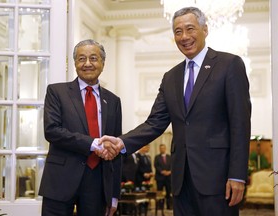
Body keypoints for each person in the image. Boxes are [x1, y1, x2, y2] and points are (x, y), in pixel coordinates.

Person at [98, 6, 251, 216]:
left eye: (190, 29)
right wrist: (122, 142)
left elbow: (240, 124)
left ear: (205, 30)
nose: (184, 37)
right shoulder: (171, 77)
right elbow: (154, 123)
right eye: (178, 32)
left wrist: (237, 175)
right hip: (181, 181)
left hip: (217, 178)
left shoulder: (229, 65)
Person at [39, 39, 122, 216]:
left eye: (93, 58)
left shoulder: (113, 101)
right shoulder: (56, 92)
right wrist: (93, 144)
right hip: (60, 180)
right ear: (75, 63)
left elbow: (116, 150)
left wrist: (113, 195)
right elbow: (52, 131)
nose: (87, 64)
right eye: (81, 59)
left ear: (102, 63)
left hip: (97, 182)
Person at [154, 144, 172, 209]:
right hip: (160, 178)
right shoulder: (157, 157)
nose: (162, 149)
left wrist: (170, 171)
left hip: (168, 178)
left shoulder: (169, 157)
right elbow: (156, 166)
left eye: (163, 148)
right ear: (159, 149)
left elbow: (172, 165)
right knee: (159, 193)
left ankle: (169, 206)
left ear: (165, 149)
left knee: (169, 192)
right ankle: (160, 206)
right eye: (161, 148)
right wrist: (162, 171)